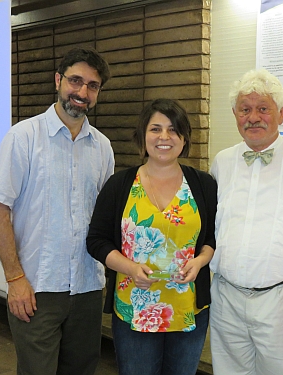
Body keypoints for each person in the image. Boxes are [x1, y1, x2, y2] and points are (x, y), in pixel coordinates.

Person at [0, 47, 114, 375]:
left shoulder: (102, 147)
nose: (82, 92)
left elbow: (104, 218)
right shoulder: (23, 137)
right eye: (75, 81)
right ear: (58, 80)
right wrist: (14, 279)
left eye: (92, 85)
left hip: (87, 288)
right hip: (36, 288)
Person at [86, 98, 217, 375]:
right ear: (143, 136)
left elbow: (212, 239)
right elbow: (96, 240)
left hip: (188, 309)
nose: (164, 137)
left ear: (184, 138)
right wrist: (130, 267)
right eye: (155, 129)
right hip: (134, 307)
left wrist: (200, 261)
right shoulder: (120, 184)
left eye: (173, 129)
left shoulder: (203, 184)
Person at [209, 69, 283, 375]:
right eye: (245, 109)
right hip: (225, 295)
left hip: (281, 298)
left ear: (282, 113)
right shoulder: (222, 161)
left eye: (263, 109)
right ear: (235, 114)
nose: (253, 117)